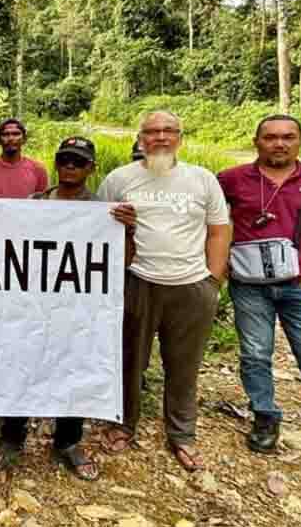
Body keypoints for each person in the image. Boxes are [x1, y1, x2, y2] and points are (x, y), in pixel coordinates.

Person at [97, 110, 231, 472]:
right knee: (128, 361)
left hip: (191, 285)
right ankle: (123, 424)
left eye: (168, 131)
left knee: (184, 366)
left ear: (179, 138)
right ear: (140, 139)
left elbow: (219, 230)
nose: (160, 137)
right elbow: (97, 229)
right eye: (152, 132)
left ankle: (182, 435)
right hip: (137, 281)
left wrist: (212, 281)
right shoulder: (119, 179)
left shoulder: (201, 180)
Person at [217, 115, 301, 477]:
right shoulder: (231, 179)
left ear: (300, 141)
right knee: (255, 355)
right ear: (257, 141)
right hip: (248, 285)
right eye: (270, 137)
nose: (279, 144)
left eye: (288, 137)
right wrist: (220, 266)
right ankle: (265, 417)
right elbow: (210, 221)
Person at [0, 136, 106, 480]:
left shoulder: (102, 210)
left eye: (78, 162)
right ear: (55, 163)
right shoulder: (34, 202)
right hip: (33, 306)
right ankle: (11, 437)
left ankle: (68, 441)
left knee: (73, 369)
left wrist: (126, 230)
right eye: (64, 159)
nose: (70, 166)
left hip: (78, 308)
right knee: (21, 366)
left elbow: (119, 263)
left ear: (90, 168)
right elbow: (6, 244)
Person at [0, 118, 48, 197]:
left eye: (16, 134)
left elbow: (42, 205)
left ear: (24, 139)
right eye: (5, 134)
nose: (11, 138)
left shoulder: (38, 169)